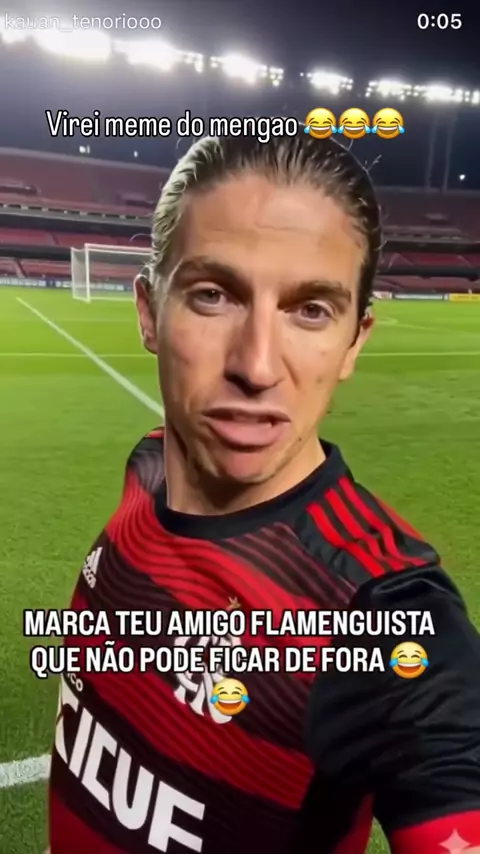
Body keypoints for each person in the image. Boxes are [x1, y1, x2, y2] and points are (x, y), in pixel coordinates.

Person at [48, 132, 480, 854]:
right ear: (149, 310)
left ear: (354, 342)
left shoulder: (383, 615)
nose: (256, 366)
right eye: (213, 295)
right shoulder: (150, 465)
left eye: (311, 310)